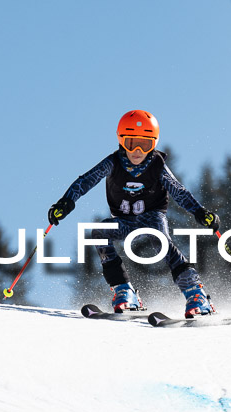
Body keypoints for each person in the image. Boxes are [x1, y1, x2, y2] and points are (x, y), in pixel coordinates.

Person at [48, 110, 220, 318]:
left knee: (161, 241)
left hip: (152, 217)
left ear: (154, 144)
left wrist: (200, 212)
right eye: (131, 144)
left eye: (145, 145)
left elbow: (178, 191)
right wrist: (65, 203)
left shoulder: (157, 166)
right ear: (122, 141)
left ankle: (196, 294)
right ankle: (124, 291)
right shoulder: (113, 163)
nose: (137, 151)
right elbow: (86, 181)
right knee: (100, 232)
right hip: (125, 221)